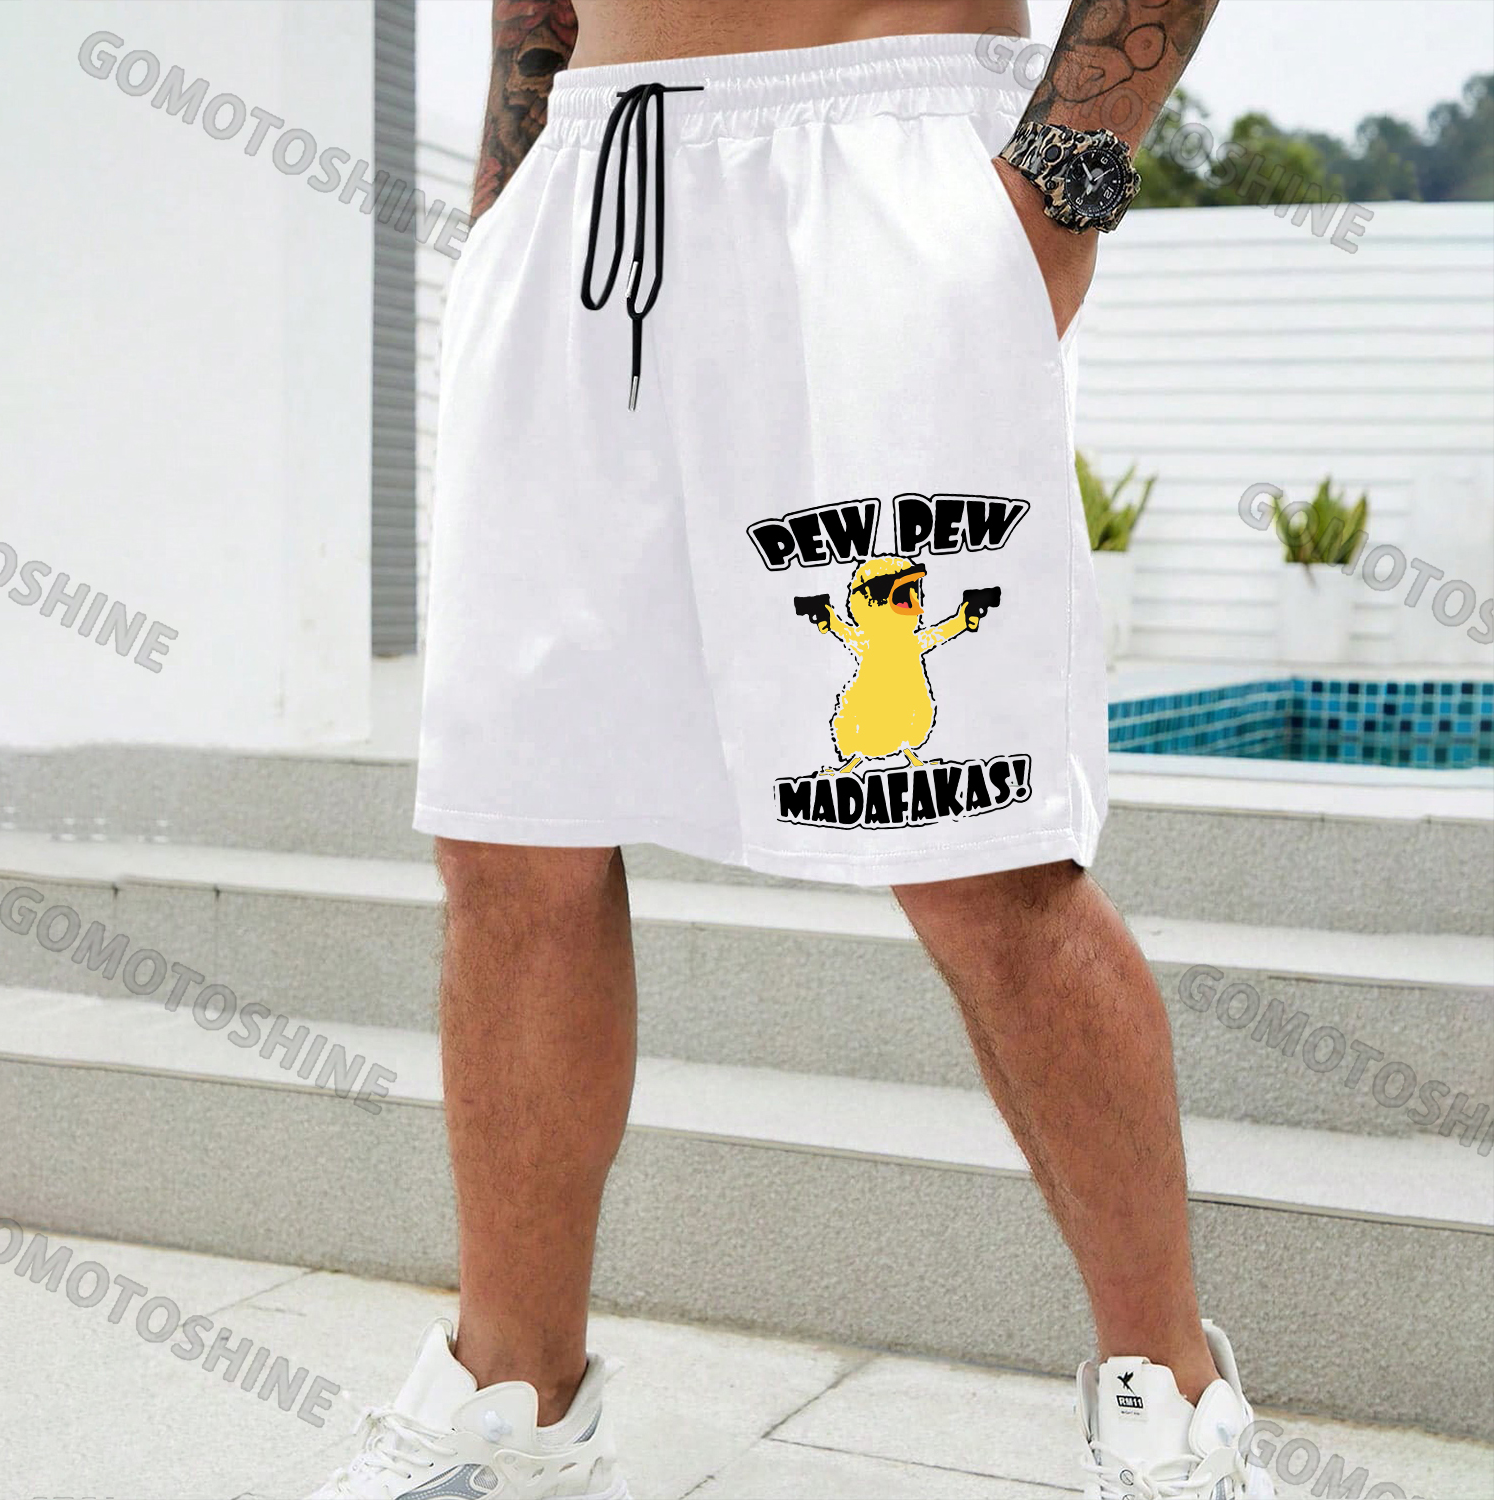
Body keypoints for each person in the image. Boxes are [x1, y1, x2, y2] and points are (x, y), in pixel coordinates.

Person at [312, 2, 1277, 1496]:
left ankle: (1175, 1414)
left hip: (878, 152)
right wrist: (507, 200)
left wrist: (1064, 177)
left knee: (976, 850)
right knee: (511, 836)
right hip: (586, 192)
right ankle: (512, 1401)